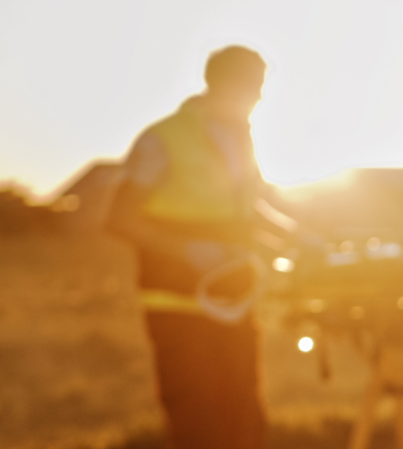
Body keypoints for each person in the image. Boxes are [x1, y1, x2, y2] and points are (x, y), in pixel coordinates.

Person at [107, 46, 294, 449]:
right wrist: (188, 250)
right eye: (255, 88)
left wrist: (296, 237)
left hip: (235, 304)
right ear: (227, 84)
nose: (260, 98)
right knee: (199, 424)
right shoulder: (163, 139)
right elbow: (120, 218)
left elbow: (247, 209)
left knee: (244, 419)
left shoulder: (241, 137)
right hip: (178, 307)